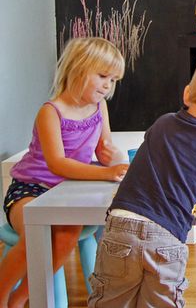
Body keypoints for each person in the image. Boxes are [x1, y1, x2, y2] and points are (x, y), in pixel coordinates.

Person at [87, 54, 196, 307]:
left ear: (187, 94)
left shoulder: (162, 123)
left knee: (110, 300)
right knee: (161, 301)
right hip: (165, 238)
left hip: (120, 227)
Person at [0, 37, 128, 308]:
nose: (108, 85)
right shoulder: (51, 112)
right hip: (31, 188)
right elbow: (57, 163)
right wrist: (106, 173)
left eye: (113, 80)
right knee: (36, 233)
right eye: (103, 76)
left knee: (69, 232)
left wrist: (116, 161)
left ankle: (21, 297)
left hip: (70, 188)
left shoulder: (98, 106)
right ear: (78, 69)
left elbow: (105, 147)